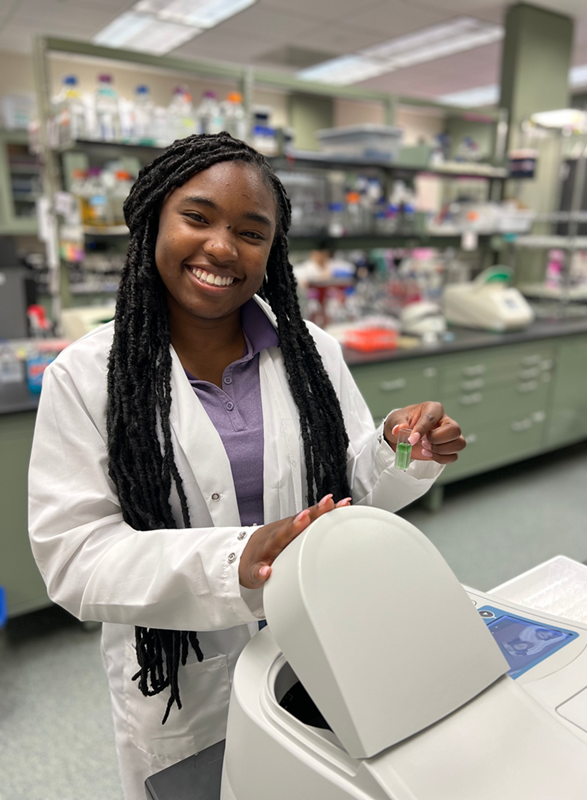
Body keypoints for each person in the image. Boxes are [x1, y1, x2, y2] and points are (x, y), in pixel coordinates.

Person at [28, 133, 465, 800]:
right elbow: (75, 555)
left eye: (251, 231)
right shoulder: (88, 375)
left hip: (318, 647)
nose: (223, 247)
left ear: (272, 251)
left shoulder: (311, 352)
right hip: (185, 683)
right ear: (154, 222)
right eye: (197, 218)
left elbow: (352, 490)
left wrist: (402, 449)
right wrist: (235, 562)